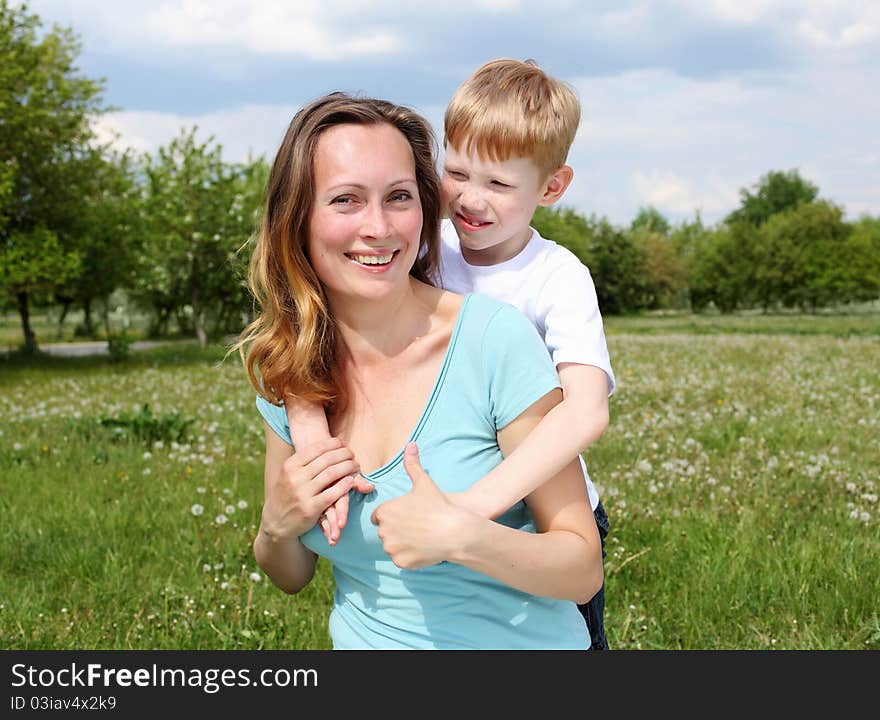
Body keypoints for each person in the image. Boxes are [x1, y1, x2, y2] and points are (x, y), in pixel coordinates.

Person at [237, 92, 603, 649]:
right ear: (297, 218)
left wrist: (465, 534)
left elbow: (582, 569)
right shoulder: (292, 375)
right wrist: (276, 525)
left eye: (399, 197)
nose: (379, 227)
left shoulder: (497, 336)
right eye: (346, 200)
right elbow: (290, 576)